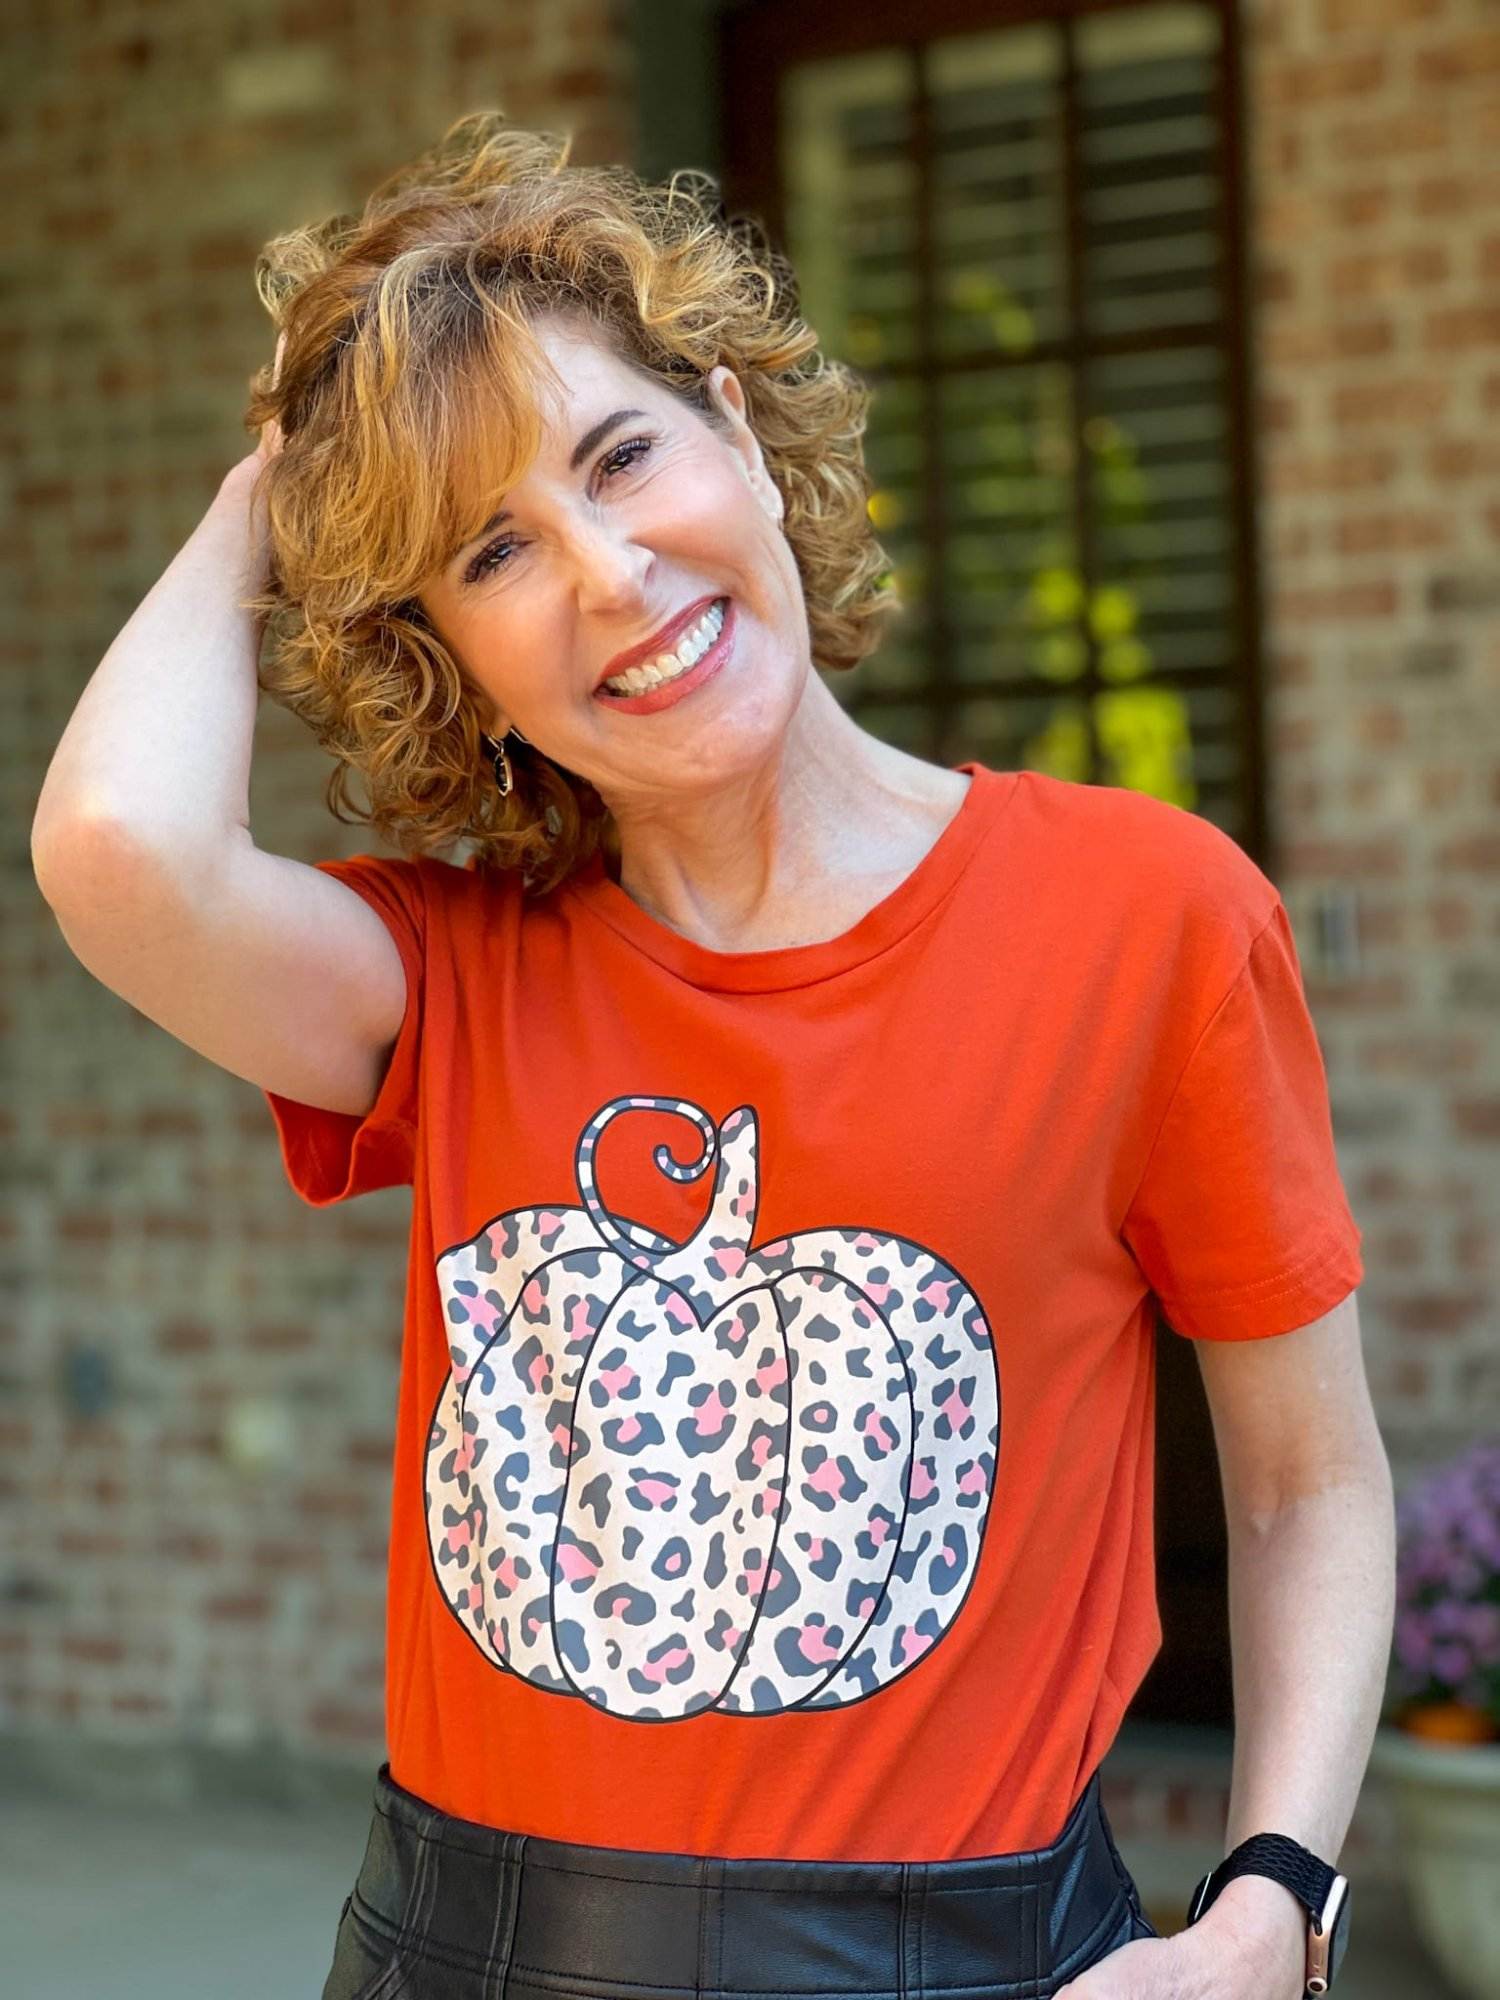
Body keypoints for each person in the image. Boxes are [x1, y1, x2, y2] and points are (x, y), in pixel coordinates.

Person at [31, 110, 1395, 2000]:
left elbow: (1303, 1485)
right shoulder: (451, 976)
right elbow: (118, 852)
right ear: (446, 656)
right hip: (459, 1957)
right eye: (493, 550)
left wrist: (1270, 1917)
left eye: (624, 456)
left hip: (963, 1963)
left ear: (742, 436)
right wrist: (282, 478)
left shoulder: (1149, 920)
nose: (605, 573)